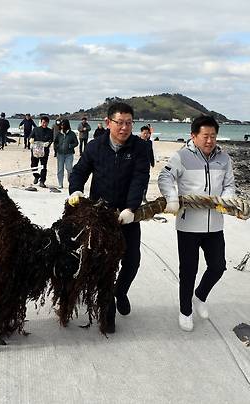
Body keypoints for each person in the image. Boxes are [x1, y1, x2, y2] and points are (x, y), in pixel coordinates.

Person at [68, 102, 150, 333]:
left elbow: (140, 178)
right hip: (100, 215)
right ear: (108, 123)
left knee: (132, 260)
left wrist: (131, 207)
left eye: (128, 123)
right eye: (120, 123)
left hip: (128, 215)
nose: (124, 128)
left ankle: (120, 291)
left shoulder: (139, 148)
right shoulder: (96, 146)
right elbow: (79, 171)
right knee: (103, 263)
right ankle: (107, 307)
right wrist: (75, 190)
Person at [158, 115, 236, 332]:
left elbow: (229, 184)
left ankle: (200, 295)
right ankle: (185, 311)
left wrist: (227, 199)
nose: (209, 140)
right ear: (194, 136)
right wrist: (172, 198)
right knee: (188, 271)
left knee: (218, 266)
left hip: (215, 224)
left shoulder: (224, 158)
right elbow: (165, 178)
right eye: (205, 136)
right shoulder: (182, 156)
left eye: (213, 136)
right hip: (188, 225)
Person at [53, 119, 78, 189]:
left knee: (69, 168)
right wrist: (56, 148)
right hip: (60, 154)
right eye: (61, 125)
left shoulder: (72, 134)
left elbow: (76, 143)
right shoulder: (59, 133)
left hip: (69, 154)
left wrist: (70, 146)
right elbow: (55, 142)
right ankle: (60, 184)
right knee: (60, 169)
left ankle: (70, 182)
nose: (62, 126)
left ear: (67, 125)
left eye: (63, 125)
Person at [30, 115, 53, 187]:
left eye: (46, 123)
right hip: (35, 150)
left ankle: (42, 181)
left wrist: (48, 143)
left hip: (45, 151)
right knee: (33, 165)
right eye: (43, 122)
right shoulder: (36, 129)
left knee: (43, 167)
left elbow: (51, 139)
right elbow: (31, 136)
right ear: (41, 122)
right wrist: (31, 139)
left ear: (48, 123)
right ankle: (36, 176)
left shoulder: (50, 131)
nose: (44, 124)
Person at [138, 125, 155, 202]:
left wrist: (152, 162)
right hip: (138, 166)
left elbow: (151, 152)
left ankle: (144, 196)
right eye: (144, 133)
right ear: (141, 133)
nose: (145, 135)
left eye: (147, 133)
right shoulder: (137, 142)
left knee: (146, 181)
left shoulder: (149, 142)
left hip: (146, 165)